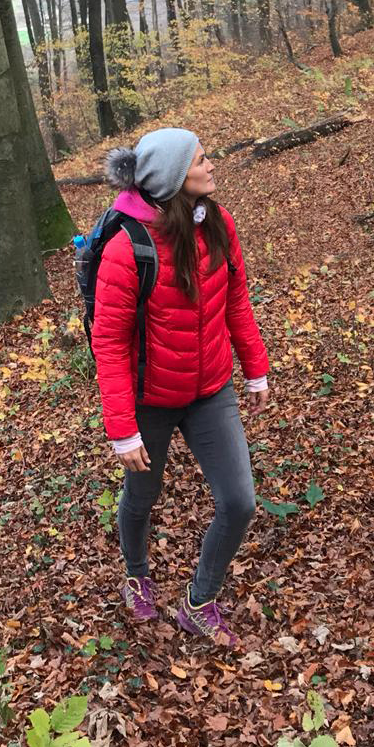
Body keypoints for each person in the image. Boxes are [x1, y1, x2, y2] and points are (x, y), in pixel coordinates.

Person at [92, 127, 270, 647]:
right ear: (174, 178)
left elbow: (235, 297)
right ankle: (136, 574)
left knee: (239, 502)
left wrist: (254, 368)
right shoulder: (129, 249)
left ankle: (200, 602)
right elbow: (109, 342)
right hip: (150, 400)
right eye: (200, 160)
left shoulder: (217, 223)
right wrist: (122, 430)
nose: (211, 166)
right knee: (142, 495)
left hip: (210, 390)